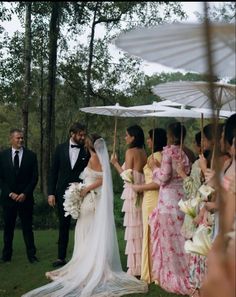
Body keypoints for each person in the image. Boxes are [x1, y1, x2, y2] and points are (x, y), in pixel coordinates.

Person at [22, 135, 148, 297]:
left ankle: (87, 266)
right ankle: (90, 263)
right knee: (88, 232)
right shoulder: (95, 157)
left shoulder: (95, 158)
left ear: (90, 144)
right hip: (92, 198)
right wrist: (80, 187)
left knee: (85, 232)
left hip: (91, 200)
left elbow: (103, 179)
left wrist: (85, 189)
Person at [149, 122, 192, 295]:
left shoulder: (168, 153)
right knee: (181, 241)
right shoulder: (185, 154)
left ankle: (173, 276)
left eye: (168, 135)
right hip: (181, 201)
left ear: (172, 136)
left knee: (170, 242)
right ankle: (187, 273)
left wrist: (154, 168)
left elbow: (164, 177)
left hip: (168, 204)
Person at [47, 122, 90, 267]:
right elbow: (53, 172)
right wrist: (51, 193)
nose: (83, 137)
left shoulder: (87, 150)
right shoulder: (60, 149)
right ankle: (61, 257)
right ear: (72, 134)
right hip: (61, 193)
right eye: (80, 134)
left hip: (82, 193)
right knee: (63, 225)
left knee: (83, 223)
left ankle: (84, 256)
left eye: (84, 134)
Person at [131, 128, 167, 283]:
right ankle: (158, 269)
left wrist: (140, 188)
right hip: (157, 199)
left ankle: (151, 272)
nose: (147, 141)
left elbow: (158, 182)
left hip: (151, 198)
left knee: (150, 233)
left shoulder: (154, 157)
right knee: (157, 234)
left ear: (155, 140)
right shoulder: (165, 155)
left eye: (149, 138)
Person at [110, 124, 147, 276]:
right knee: (140, 227)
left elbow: (127, 176)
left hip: (133, 189)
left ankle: (135, 268)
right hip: (142, 185)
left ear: (133, 137)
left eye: (127, 135)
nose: (125, 137)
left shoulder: (130, 151)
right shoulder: (144, 151)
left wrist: (115, 164)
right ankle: (142, 264)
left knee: (133, 228)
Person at [0, 128, 38, 263]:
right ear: (11, 139)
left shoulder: (31, 156)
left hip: (25, 199)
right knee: (8, 229)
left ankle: (32, 256)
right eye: (18, 138)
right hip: (8, 199)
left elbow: (34, 178)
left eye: (22, 138)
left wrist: (24, 194)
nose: (21, 140)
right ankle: (6, 256)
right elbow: (1, 179)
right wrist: (10, 193)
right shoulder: (2, 156)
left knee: (28, 229)